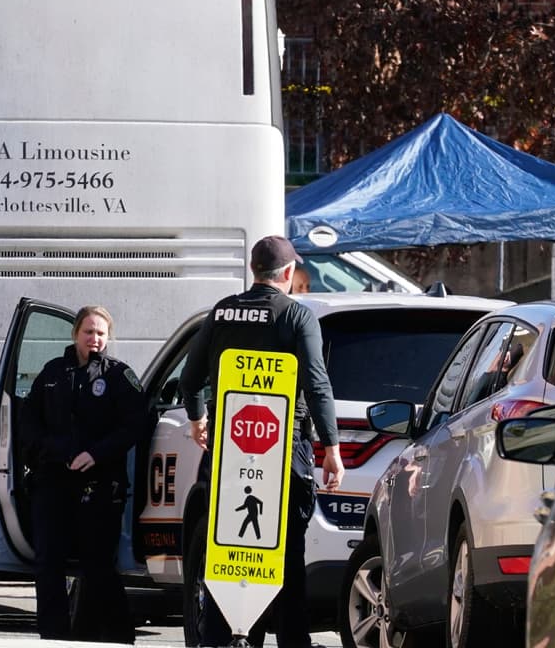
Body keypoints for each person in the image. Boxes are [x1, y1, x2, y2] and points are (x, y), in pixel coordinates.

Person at [178, 235, 345, 648]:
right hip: (284, 454)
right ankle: (290, 642)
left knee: (228, 552)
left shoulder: (222, 313)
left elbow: (189, 379)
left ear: (253, 270)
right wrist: (332, 449)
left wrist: (199, 418)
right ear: (288, 273)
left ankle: (222, 639)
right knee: (285, 555)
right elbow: (317, 385)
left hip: (229, 454)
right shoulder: (297, 317)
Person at [21, 305, 146, 644]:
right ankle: (54, 635)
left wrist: (96, 454)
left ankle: (118, 636)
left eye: (101, 333)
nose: (95, 339)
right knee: (48, 563)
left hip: (100, 482)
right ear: (75, 333)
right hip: (53, 480)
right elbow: (28, 422)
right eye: (89, 331)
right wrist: (51, 451)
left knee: (97, 565)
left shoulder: (119, 376)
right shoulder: (51, 373)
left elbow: (134, 425)